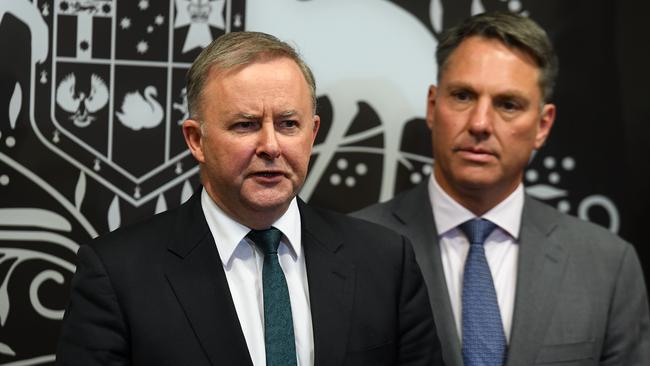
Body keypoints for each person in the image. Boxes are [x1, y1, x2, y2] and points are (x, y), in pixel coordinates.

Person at [56, 32, 442, 365]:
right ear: (196, 140)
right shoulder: (118, 275)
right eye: (246, 125)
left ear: (313, 132)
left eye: (289, 124)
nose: (271, 146)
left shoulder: (385, 262)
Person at [354, 11, 650, 366]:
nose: (480, 123)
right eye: (463, 96)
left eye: (508, 104)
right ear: (433, 107)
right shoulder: (352, 249)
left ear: (543, 125)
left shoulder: (607, 266)